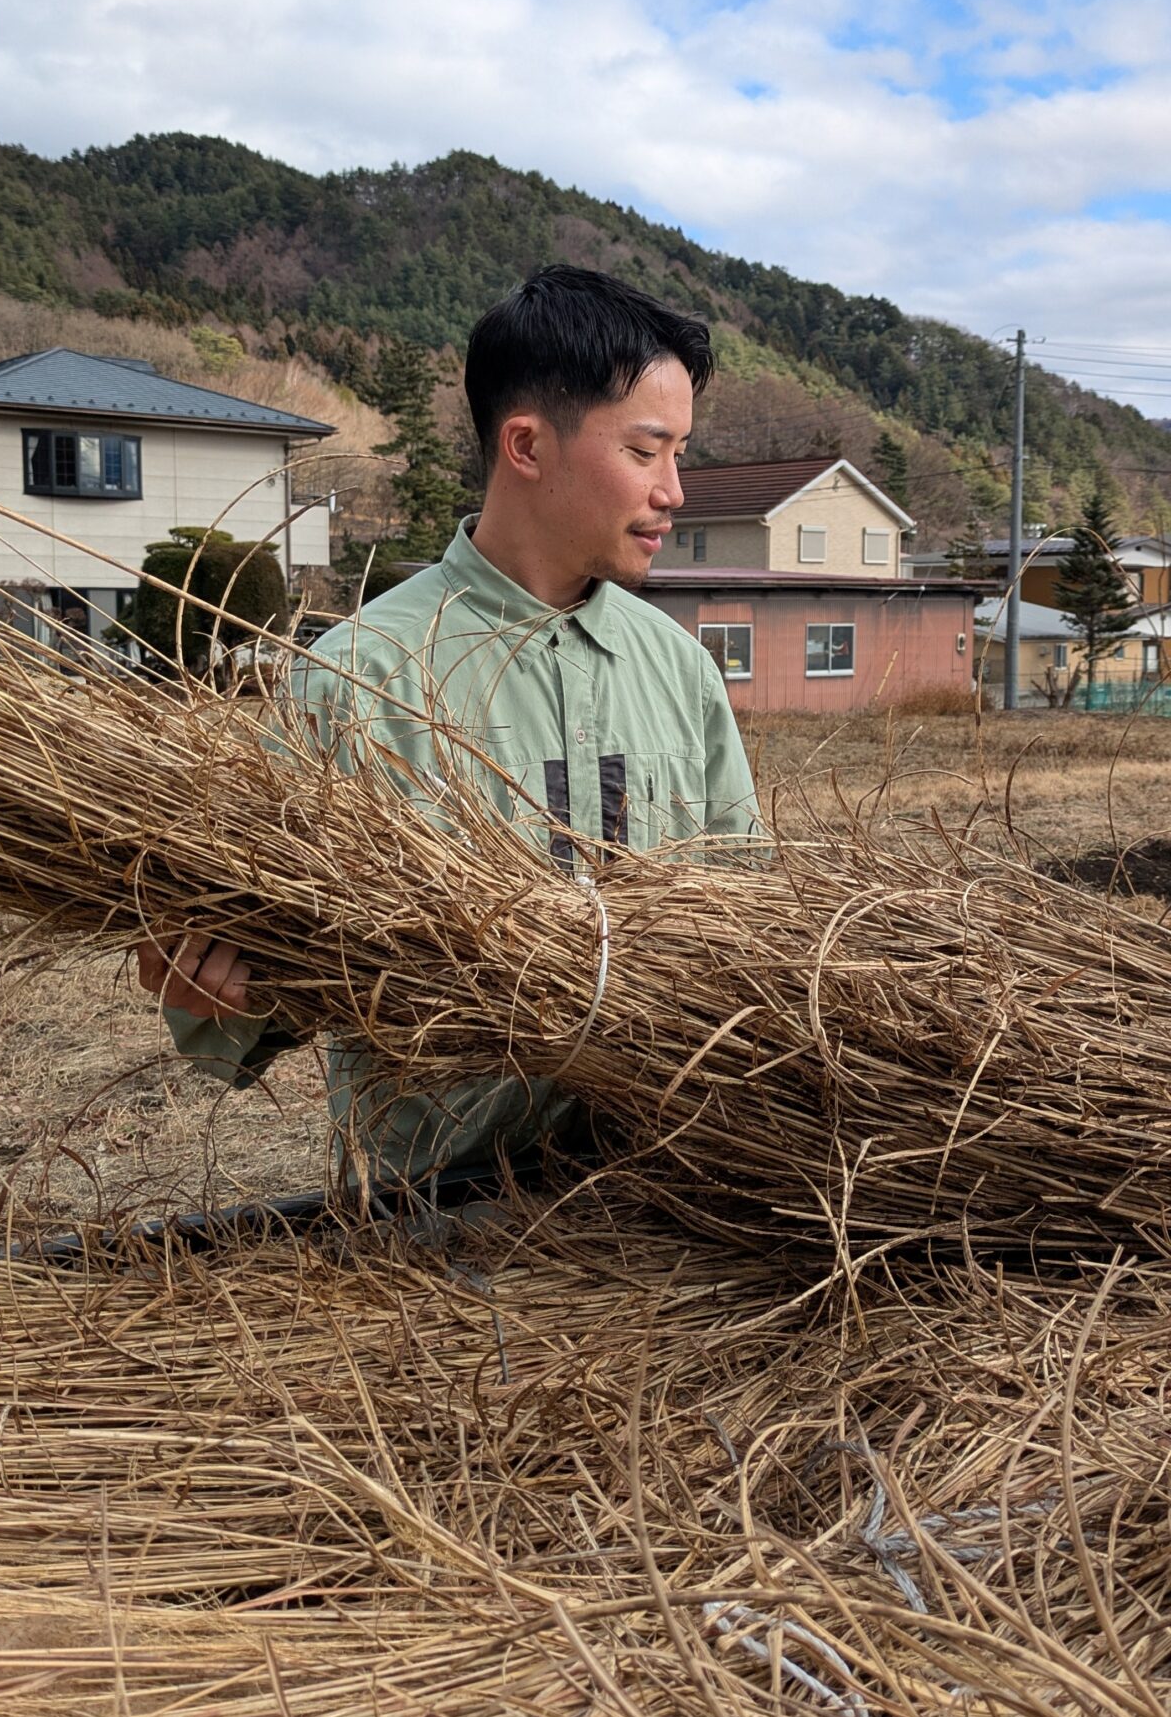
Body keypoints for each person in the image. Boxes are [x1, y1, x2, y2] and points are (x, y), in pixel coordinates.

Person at [141, 264, 762, 1205]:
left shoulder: (682, 674)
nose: (675, 490)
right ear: (525, 445)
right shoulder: (359, 682)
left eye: (680, 454)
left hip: (663, 1206)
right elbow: (242, 991)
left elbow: (750, 929)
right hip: (431, 1231)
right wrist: (216, 986)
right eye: (647, 451)